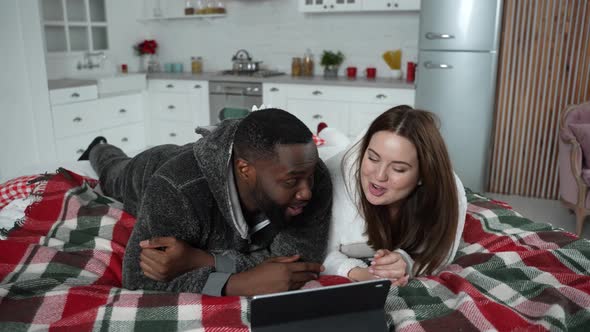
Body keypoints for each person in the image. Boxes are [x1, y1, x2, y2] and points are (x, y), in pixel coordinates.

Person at [82, 108, 332, 296]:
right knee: (112, 173)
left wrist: (200, 260)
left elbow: (295, 266)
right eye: (291, 182)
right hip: (150, 169)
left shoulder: (309, 175)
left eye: (309, 178)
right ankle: (98, 147)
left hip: (213, 159)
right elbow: (139, 279)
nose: (307, 193)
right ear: (245, 170)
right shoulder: (176, 188)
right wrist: (236, 284)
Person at [322, 105, 467, 286]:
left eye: (398, 168)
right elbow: (320, 251)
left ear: (423, 175)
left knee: (337, 141)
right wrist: (360, 273)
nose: (380, 176)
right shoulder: (332, 180)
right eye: (373, 158)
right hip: (326, 154)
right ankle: (325, 131)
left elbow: (438, 256)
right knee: (330, 142)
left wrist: (404, 262)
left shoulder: (450, 195)